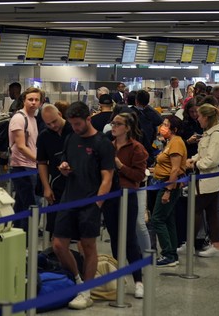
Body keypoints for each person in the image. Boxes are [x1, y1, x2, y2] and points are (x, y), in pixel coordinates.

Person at [53, 101, 115, 310]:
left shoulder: (102, 143)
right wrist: (64, 168)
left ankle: (86, 292)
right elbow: (66, 162)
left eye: (78, 123)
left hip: (90, 201)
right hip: (69, 199)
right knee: (59, 245)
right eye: (72, 124)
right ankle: (78, 282)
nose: (75, 127)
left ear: (88, 119)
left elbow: (107, 177)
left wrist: (97, 203)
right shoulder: (71, 138)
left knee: (88, 246)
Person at [103, 112, 148, 298]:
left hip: (127, 195)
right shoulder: (108, 146)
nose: (113, 127)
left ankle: (138, 280)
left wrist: (120, 166)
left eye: (118, 124)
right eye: (113, 123)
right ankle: (119, 276)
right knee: (114, 237)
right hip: (110, 195)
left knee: (129, 238)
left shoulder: (137, 148)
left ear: (127, 128)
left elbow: (139, 176)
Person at [185, 104, 219, 257]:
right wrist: (193, 159)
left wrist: (196, 163)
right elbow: (202, 153)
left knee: (196, 209)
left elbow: (212, 159)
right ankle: (216, 244)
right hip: (204, 179)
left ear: (207, 118)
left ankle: (190, 243)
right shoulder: (208, 134)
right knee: (212, 212)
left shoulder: (217, 135)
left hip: (210, 179)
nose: (198, 119)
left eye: (200, 116)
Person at [151, 115, 187, 267]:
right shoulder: (169, 142)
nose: (163, 127)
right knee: (168, 219)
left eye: (166, 125)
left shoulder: (176, 143)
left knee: (157, 219)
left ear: (175, 129)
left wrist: (168, 190)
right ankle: (172, 252)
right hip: (162, 182)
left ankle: (167, 254)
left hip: (168, 185)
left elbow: (175, 169)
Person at [37, 104, 73, 235]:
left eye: (54, 122)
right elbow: (41, 162)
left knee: (79, 235)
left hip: (77, 185)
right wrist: (46, 187)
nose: (53, 126)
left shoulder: (74, 130)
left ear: (60, 114)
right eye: (48, 124)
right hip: (56, 185)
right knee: (56, 231)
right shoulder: (44, 136)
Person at [9, 87, 41, 232]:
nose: (33, 103)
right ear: (24, 100)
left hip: (30, 165)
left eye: (36, 100)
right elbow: (21, 146)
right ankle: (28, 238)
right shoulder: (19, 118)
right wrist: (39, 161)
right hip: (22, 166)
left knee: (22, 204)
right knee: (33, 204)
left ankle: (18, 236)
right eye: (30, 99)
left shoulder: (33, 118)